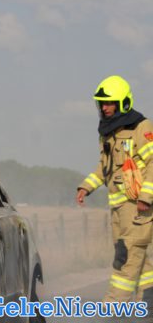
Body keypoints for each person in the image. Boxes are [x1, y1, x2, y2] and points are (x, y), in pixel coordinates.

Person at [76, 75, 153, 304]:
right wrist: (86, 187)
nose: (105, 108)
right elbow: (105, 167)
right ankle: (148, 300)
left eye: (110, 103)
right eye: (102, 103)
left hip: (137, 206)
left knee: (126, 256)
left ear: (124, 103)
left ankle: (114, 304)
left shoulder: (141, 127)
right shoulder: (107, 133)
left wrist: (146, 197)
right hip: (118, 207)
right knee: (136, 254)